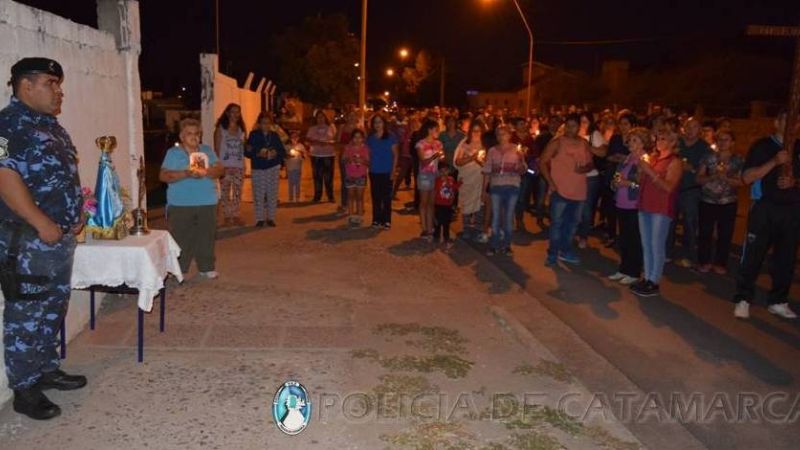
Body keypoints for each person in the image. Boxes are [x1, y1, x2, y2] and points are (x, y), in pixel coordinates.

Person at [0, 57, 87, 420]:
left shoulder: (51, 126)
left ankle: (46, 367)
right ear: (25, 86)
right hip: (29, 240)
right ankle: (24, 388)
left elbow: (63, 174)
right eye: (51, 83)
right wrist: (41, 223)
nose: (58, 91)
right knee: (26, 312)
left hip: (58, 237)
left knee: (53, 306)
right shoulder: (9, 125)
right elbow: (5, 178)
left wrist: (76, 212)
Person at [733, 111, 800, 319]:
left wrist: (794, 182)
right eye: (785, 120)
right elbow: (746, 178)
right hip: (765, 207)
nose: (791, 125)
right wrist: (774, 161)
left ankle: (778, 300)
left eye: (795, 121)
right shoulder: (763, 146)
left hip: (792, 210)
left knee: (786, 259)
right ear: (776, 122)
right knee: (753, 255)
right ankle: (743, 298)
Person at [161, 118, 224, 277]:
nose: (194, 137)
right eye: (189, 134)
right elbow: (163, 176)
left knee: (206, 235)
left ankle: (206, 267)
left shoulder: (207, 150)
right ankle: (179, 269)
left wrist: (207, 171)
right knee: (181, 237)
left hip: (207, 201)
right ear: (181, 136)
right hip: (181, 203)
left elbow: (220, 170)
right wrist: (186, 173)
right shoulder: (173, 153)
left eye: (197, 134)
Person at [631, 129, 683, 297]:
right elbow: (641, 181)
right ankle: (646, 277)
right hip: (645, 204)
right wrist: (641, 170)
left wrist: (649, 171)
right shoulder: (652, 158)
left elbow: (669, 187)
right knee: (646, 243)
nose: (658, 141)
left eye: (663, 138)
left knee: (656, 244)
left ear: (672, 142)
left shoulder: (674, 162)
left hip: (660, 208)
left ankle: (654, 281)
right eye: (658, 138)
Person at [540, 113, 594, 266]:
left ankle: (565, 250)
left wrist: (584, 169)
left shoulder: (583, 143)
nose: (570, 129)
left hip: (579, 191)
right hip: (560, 190)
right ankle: (552, 253)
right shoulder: (557, 143)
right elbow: (542, 162)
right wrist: (550, 182)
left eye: (574, 126)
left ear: (579, 127)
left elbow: (591, 163)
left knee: (572, 224)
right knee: (557, 223)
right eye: (568, 125)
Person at [695, 129, 743, 274]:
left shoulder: (738, 160)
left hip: (728, 201)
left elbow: (741, 181)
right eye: (720, 140)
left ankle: (720, 262)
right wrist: (712, 177)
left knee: (725, 233)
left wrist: (726, 178)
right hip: (707, 200)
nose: (723, 143)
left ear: (732, 142)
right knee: (705, 232)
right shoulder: (708, 158)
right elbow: (698, 178)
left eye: (726, 139)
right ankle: (704, 261)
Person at [607, 127, 650, 285]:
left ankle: (633, 271)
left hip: (634, 204)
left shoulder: (644, 160)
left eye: (634, 140)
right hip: (621, 202)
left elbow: (643, 184)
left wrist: (627, 183)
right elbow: (619, 176)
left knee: (634, 239)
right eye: (630, 140)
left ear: (643, 143)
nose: (630, 143)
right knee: (624, 238)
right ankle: (624, 268)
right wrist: (615, 183)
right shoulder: (628, 158)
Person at [669, 118, 712, 268]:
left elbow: (708, 171)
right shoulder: (677, 143)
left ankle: (688, 254)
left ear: (699, 130)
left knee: (690, 222)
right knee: (670, 220)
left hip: (691, 190)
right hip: (673, 187)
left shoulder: (704, 147)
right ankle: (667, 252)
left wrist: (691, 168)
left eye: (694, 127)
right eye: (688, 126)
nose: (690, 129)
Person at [482, 125, 527, 256]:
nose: (501, 137)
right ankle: (494, 244)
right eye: (498, 134)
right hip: (496, 187)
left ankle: (507, 245)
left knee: (508, 217)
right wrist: (484, 190)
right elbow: (487, 171)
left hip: (512, 186)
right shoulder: (492, 151)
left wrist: (520, 161)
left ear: (509, 135)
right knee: (496, 217)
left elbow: (523, 170)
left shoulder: (516, 150)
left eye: (504, 134)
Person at [576, 112, 611, 249]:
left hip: (590, 176)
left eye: (586, 121)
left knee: (586, 208)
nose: (583, 124)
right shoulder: (572, 133)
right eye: (581, 121)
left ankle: (583, 235)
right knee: (574, 206)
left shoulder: (594, 135)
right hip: (574, 176)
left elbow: (603, 152)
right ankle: (573, 231)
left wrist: (587, 145)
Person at [246, 112, 286, 227]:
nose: (266, 126)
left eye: (268, 123)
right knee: (259, 193)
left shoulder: (274, 135)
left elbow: (282, 151)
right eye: (263, 123)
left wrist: (275, 153)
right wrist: (258, 153)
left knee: (272, 192)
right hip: (258, 167)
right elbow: (247, 151)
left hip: (273, 167)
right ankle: (259, 218)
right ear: (259, 123)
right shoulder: (254, 135)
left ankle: (271, 217)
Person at [214, 103, 246, 227]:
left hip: (238, 165)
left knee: (238, 191)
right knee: (225, 191)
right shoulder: (221, 128)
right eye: (233, 111)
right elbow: (217, 148)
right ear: (227, 113)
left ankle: (236, 215)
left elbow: (242, 147)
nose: (235, 114)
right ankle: (227, 216)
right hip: (225, 166)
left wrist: (244, 163)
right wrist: (218, 165)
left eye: (237, 112)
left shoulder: (241, 129)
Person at [454, 120, 487, 241]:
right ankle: (466, 229)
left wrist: (479, 161)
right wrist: (472, 158)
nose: (477, 133)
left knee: (480, 204)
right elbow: (458, 162)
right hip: (467, 178)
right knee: (466, 203)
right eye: (474, 130)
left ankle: (478, 229)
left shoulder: (485, 145)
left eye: (479, 131)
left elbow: (488, 164)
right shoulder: (464, 144)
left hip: (480, 179)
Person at [366, 115, 398, 229]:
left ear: (384, 123)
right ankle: (376, 219)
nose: (377, 124)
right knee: (376, 196)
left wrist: (393, 170)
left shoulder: (391, 136)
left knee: (387, 197)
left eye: (379, 122)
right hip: (374, 170)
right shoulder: (370, 138)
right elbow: (368, 154)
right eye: (375, 122)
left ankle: (387, 220)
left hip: (387, 170)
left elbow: (395, 155)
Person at [416, 119, 444, 239]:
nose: (438, 132)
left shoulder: (438, 144)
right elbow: (423, 162)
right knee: (424, 202)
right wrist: (435, 156)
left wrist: (441, 157)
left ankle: (430, 227)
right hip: (424, 175)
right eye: (436, 129)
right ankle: (424, 228)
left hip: (435, 174)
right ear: (429, 130)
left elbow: (441, 160)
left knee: (432, 203)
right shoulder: (420, 144)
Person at [306, 111, 336, 203]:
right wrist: (315, 142)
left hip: (328, 154)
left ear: (325, 118)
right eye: (318, 117)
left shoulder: (331, 128)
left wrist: (328, 143)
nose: (320, 119)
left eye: (322, 117)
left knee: (328, 177)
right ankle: (317, 196)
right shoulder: (312, 128)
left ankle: (330, 196)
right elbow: (308, 140)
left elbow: (335, 140)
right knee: (317, 176)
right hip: (316, 155)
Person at [343, 129, 370, 225]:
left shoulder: (365, 148)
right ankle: (351, 215)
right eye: (355, 137)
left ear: (363, 139)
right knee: (350, 196)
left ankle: (359, 216)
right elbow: (343, 159)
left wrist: (361, 160)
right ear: (352, 138)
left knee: (359, 197)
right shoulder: (348, 148)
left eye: (359, 137)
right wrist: (348, 159)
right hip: (350, 175)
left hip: (361, 175)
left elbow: (368, 162)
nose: (357, 139)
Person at [336, 111, 359, 213]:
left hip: (356, 159)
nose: (351, 118)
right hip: (344, 158)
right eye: (349, 116)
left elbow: (364, 143)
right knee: (345, 181)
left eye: (353, 116)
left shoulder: (359, 128)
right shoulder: (342, 127)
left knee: (356, 181)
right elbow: (337, 143)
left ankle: (355, 205)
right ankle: (344, 204)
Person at [433, 160, 459, 248]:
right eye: (441, 171)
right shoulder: (437, 181)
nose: (444, 173)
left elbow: (454, 188)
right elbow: (435, 191)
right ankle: (436, 235)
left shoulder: (451, 179)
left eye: (445, 171)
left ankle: (446, 237)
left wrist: (459, 183)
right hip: (439, 204)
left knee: (447, 222)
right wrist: (433, 203)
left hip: (448, 204)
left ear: (449, 171)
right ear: (439, 172)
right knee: (438, 221)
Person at [285, 130, 307, 203]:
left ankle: (297, 197)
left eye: (296, 137)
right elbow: (284, 156)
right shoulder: (287, 146)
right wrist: (288, 156)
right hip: (289, 167)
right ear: (290, 138)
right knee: (290, 183)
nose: (294, 138)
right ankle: (290, 198)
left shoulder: (301, 146)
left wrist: (301, 153)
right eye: (292, 137)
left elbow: (305, 156)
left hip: (297, 167)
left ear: (298, 138)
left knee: (297, 183)